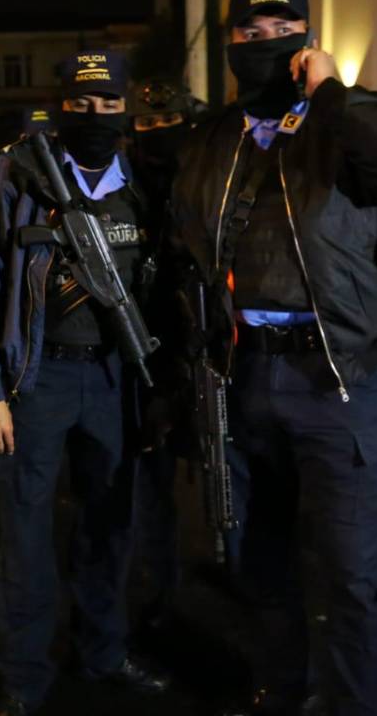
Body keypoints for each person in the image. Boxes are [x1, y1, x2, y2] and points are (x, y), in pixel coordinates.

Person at [165, 0, 377, 716]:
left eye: (282, 29)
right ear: (230, 42)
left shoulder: (348, 121)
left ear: (307, 38)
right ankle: (282, 687)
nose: (266, 43)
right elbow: (183, 254)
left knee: (353, 570)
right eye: (250, 32)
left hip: (336, 381)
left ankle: (358, 703)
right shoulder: (211, 141)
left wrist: (331, 94)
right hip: (244, 379)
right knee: (259, 560)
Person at [0, 49, 169, 716]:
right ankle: (25, 679)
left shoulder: (141, 180)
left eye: (109, 103)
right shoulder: (16, 174)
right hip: (34, 380)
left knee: (110, 526)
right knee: (26, 536)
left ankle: (103, 652)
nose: (96, 115)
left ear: (126, 107)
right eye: (81, 104)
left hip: (114, 379)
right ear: (61, 106)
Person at [125, 79, 205, 633]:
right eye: (147, 124)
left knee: (227, 472)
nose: (157, 134)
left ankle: (242, 575)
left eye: (167, 123)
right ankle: (159, 597)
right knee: (149, 487)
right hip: (144, 352)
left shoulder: (206, 179)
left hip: (203, 347)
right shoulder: (121, 184)